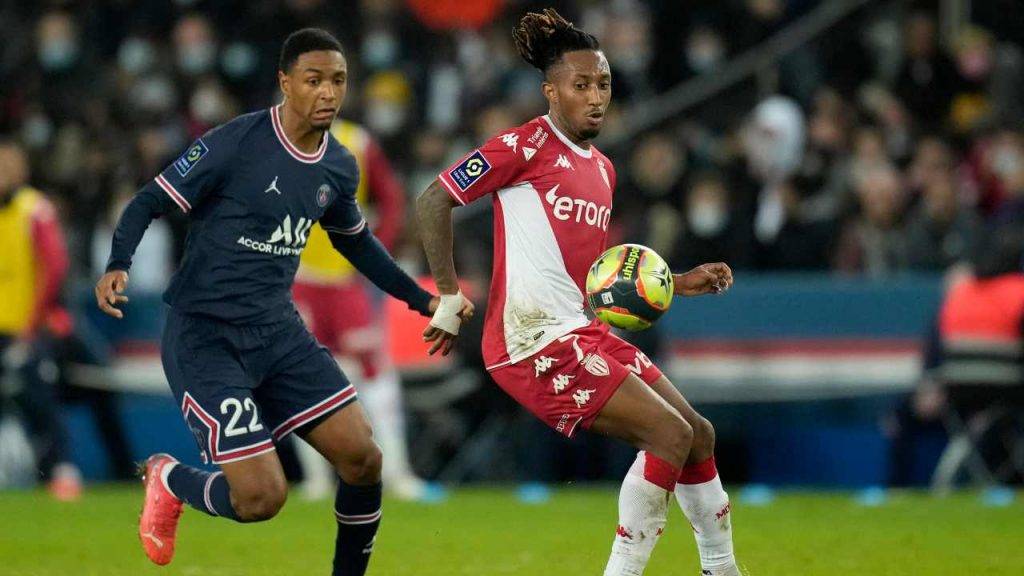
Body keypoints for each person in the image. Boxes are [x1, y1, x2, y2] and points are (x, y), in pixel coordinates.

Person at [95, 29, 463, 575]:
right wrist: (118, 263)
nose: (327, 93)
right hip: (206, 336)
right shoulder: (237, 142)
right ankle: (170, 478)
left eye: (337, 80)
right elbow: (149, 200)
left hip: (277, 333)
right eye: (313, 80)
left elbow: (357, 242)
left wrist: (421, 300)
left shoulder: (339, 166)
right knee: (262, 499)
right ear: (285, 83)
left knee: (364, 458)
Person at [416, 9, 740, 576]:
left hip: (580, 328)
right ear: (551, 91)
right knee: (668, 433)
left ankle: (722, 567)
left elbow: (593, 279)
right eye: (581, 85)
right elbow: (433, 199)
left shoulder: (605, 171)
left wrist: (677, 284)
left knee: (698, 435)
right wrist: (447, 295)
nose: (596, 97)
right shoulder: (524, 145)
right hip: (529, 339)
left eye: (604, 85)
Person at [293, 118, 428, 500]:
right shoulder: (279, 139)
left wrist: (372, 253)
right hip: (298, 279)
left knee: (374, 372)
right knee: (299, 377)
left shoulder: (357, 140)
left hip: (344, 281)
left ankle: (399, 473)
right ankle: (316, 480)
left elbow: (391, 199)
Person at [0, 140, 81, 501]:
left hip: (30, 330)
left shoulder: (36, 210)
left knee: (36, 386)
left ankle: (62, 469)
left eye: (8, 165)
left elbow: (55, 267)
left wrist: (30, 331)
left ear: (22, 170)